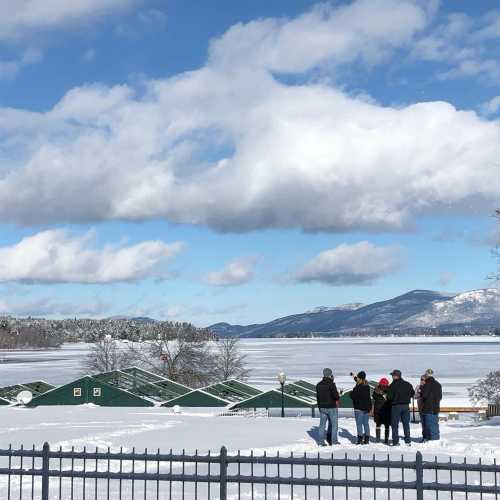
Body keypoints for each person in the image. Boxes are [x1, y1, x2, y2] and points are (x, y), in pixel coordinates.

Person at [387, 369, 415, 446]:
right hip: (406, 406)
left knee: (395, 424)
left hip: (396, 406)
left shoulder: (392, 385)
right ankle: (408, 441)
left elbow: (389, 397)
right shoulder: (408, 384)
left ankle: (395, 441)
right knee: (406, 424)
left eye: (393, 375)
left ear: (396, 376)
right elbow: (412, 393)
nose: (392, 376)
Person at [316, 368, 340, 446]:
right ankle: (334, 441)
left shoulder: (318, 385)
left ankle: (320, 441)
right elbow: (336, 396)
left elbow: (318, 397)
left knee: (322, 425)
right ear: (330, 375)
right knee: (334, 425)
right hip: (331, 407)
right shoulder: (331, 384)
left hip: (322, 407)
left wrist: (319, 407)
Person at [350, 371, 372, 445]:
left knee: (359, 424)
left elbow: (353, 396)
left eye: (358, 378)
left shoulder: (358, 387)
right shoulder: (367, 386)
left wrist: (351, 393)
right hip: (366, 409)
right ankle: (367, 439)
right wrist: (354, 376)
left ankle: (360, 439)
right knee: (366, 424)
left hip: (358, 409)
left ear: (360, 379)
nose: (357, 379)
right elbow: (358, 380)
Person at [420, 368, 442, 441]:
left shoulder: (427, 385)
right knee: (434, 424)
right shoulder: (438, 384)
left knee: (428, 425)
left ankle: (431, 440)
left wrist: (421, 390)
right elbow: (440, 397)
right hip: (435, 407)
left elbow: (424, 395)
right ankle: (434, 439)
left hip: (427, 407)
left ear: (426, 375)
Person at [372, 377, 391, 444]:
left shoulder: (376, 390)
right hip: (387, 409)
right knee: (387, 425)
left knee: (378, 425)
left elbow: (374, 397)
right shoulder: (389, 390)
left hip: (378, 410)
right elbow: (390, 399)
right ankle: (386, 440)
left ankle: (377, 439)